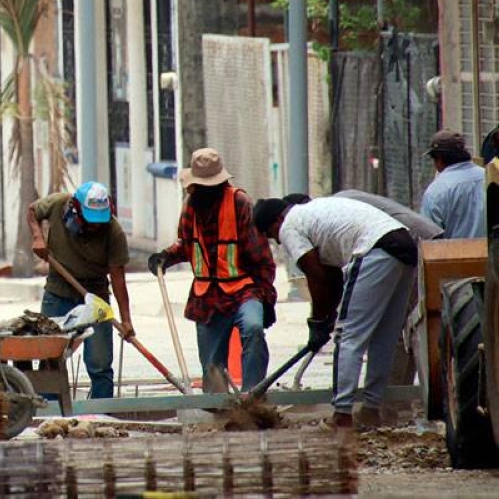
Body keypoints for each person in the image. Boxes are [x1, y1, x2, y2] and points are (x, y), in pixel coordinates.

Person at [253, 196, 417, 430]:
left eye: (272, 234)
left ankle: (342, 414)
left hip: (373, 248)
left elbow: (316, 276)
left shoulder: (290, 225)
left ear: (278, 219)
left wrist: (318, 322)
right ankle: (371, 410)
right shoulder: (312, 213)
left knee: (347, 337)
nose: (278, 242)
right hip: (403, 246)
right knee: (384, 337)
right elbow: (332, 278)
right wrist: (326, 315)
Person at [147, 148, 277, 392]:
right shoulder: (190, 206)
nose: (198, 191)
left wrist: (266, 299)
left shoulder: (240, 203)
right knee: (212, 366)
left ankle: (253, 397)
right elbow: (187, 246)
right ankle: (218, 407)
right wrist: (165, 258)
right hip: (206, 295)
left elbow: (261, 258)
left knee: (253, 329)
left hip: (242, 289)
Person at [28, 181, 134, 399]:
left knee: (100, 362)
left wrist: (126, 321)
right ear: (76, 209)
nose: (95, 227)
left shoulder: (113, 232)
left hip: (95, 296)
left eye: (99, 222)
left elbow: (118, 279)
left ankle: (102, 412)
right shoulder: (58, 204)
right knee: (51, 357)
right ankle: (50, 412)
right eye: (90, 221)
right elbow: (32, 211)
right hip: (58, 290)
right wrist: (38, 237)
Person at [421, 129, 485, 239]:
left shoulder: (435, 191)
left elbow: (429, 238)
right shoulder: (489, 177)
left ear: (439, 159)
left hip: (454, 255)